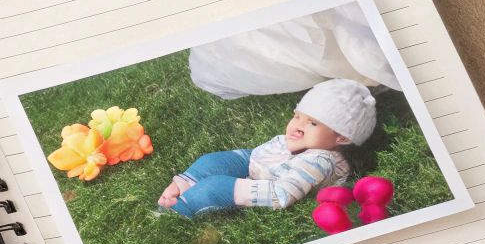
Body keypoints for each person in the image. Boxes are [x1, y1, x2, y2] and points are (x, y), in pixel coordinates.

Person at [157, 79, 377, 218]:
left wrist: (240, 188)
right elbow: (258, 155)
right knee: (211, 162)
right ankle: (186, 184)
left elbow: (282, 194)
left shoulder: (318, 162)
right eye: (297, 116)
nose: (297, 126)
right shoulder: (301, 140)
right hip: (260, 166)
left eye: (312, 123)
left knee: (215, 187)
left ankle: (178, 211)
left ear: (341, 137)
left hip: (272, 184)